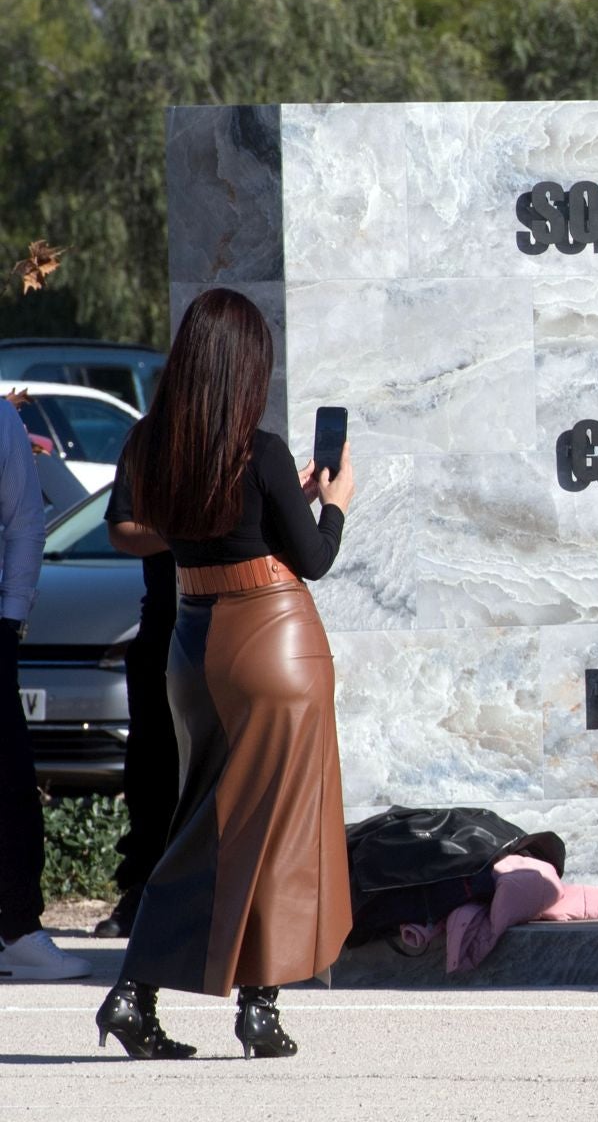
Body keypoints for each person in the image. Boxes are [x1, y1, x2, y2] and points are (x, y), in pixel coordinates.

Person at [95, 287, 355, 1059]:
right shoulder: (259, 450)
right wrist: (333, 503)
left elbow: (130, 529)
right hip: (274, 641)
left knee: (207, 818)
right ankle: (256, 1008)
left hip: (192, 645)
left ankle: (141, 996)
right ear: (246, 367)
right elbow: (314, 559)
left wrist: (265, 509)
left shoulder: (153, 446)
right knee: (273, 826)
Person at [0, 396, 91, 983]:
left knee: (9, 780)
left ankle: (16, 928)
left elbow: (25, 522)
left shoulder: (2, 422)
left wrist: (12, 615)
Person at [93, 485, 177, 939]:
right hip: (164, 626)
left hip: (231, 626)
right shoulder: (150, 439)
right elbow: (122, 529)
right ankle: (144, 888)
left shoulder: (244, 434)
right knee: (151, 771)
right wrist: (186, 532)